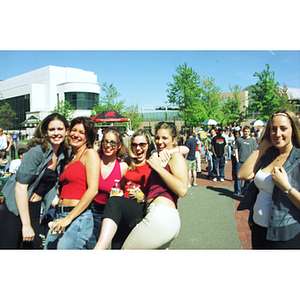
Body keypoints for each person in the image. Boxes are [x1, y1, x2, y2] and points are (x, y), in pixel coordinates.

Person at [94, 123, 189, 250]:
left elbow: (182, 190)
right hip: (153, 214)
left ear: (174, 139)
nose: (160, 141)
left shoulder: (168, 158)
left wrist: (159, 167)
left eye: (165, 138)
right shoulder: (158, 157)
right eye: (157, 138)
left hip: (160, 214)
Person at [0, 113, 69, 249]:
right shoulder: (37, 152)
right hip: (14, 208)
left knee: (33, 247)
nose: (56, 133)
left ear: (66, 131)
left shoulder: (61, 155)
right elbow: (20, 188)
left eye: (60, 129)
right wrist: (26, 224)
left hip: (34, 209)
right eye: (52, 129)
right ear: (45, 132)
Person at [238, 109, 300, 249]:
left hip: (284, 234)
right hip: (258, 228)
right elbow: (243, 174)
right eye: (273, 129)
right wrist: (262, 146)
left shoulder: (298, 159)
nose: (277, 134)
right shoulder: (268, 156)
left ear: (293, 131)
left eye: (283, 128)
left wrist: (286, 187)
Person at [43, 117, 100, 250]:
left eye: (82, 132)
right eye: (74, 130)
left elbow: (93, 190)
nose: (76, 135)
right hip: (60, 214)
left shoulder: (89, 154)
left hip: (76, 218)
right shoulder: (69, 158)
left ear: (89, 136)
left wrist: (68, 218)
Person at [85, 128, 128, 249]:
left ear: (119, 145)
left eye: (112, 142)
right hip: (90, 210)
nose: (108, 145)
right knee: (90, 246)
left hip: (111, 213)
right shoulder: (93, 160)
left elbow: (124, 190)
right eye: (105, 141)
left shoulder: (122, 167)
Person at [234, 125, 257, 196]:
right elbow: (236, 149)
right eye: (245, 131)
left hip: (249, 162)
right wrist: (237, 159)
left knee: (248, 178)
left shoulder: (252, 140)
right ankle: (238, 191)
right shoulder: (239, 140)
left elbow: (254, 151)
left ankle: (246, 191)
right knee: (238, 177)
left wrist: (253, 161)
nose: (246, 133)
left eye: (248, 132)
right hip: (240, 161)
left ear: (250, 132)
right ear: (243, 132)